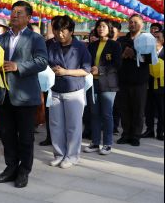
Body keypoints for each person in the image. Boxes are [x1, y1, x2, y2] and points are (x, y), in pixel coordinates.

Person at [0, 1, 48, 188]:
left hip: (25, 95)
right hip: (4, 94)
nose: (14, 15)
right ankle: (10, 168)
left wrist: (18, 66)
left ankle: (24, 171)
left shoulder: (35, 38)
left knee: (25, 136)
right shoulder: (1, 39)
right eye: (12, 12)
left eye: (19, 12)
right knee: (7, 135)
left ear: (28, 17)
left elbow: (42, 61)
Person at [47, 15, 91, 169]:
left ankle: (72, 156)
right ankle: (59, 154)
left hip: (74, 90)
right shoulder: (52, 46)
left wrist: (66, 71)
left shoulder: (80, 48)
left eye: (63, 31)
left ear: (71, 31)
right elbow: (46, 65)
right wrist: (51, 70)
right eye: (57, 30)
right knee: (56, 124)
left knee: (73, 125)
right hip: (55, 90)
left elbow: (86, 70)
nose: (60, 34)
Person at [84, 19, 122, 155]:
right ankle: (95, 142)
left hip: (109, 84)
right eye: (99, 26)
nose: (101, 29)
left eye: (104, 26)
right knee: (94, 114)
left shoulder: (115, 45)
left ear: (110, 29)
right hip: (93, 83)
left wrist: (100, 70)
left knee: (107, 114)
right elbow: (86, 61)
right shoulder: (92, 45)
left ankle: (107, 143)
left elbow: (117, 65)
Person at [116, 14, 151, 146]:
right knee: (124, 109)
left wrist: (135, 55)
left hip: (140, 81)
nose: (132, 25)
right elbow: (116, 59)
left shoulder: (147, 40)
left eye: (135, 22)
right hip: (123, 80)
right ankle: (125, 134)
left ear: (142, 25)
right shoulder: (121, 41)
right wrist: (122, 55)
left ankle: (136, 135)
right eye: (130, 22)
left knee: (138, 109)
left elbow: (150, 59)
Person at [39, 16, 61, 147]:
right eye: (54, 26)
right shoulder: (47, 43)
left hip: (65, 80)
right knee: (49, 110)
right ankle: (50, 136)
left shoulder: (71, 43)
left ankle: (61, 137)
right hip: (49, 80)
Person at [142, 30, 164, 140]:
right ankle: (149, 130)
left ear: (163, 40)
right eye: (153, 38)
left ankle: (161, 131)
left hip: (162, 86)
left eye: (157, 38)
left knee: (162, 110)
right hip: (149, 85)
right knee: (149, 109)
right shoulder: (148, 53)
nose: (154, 40)